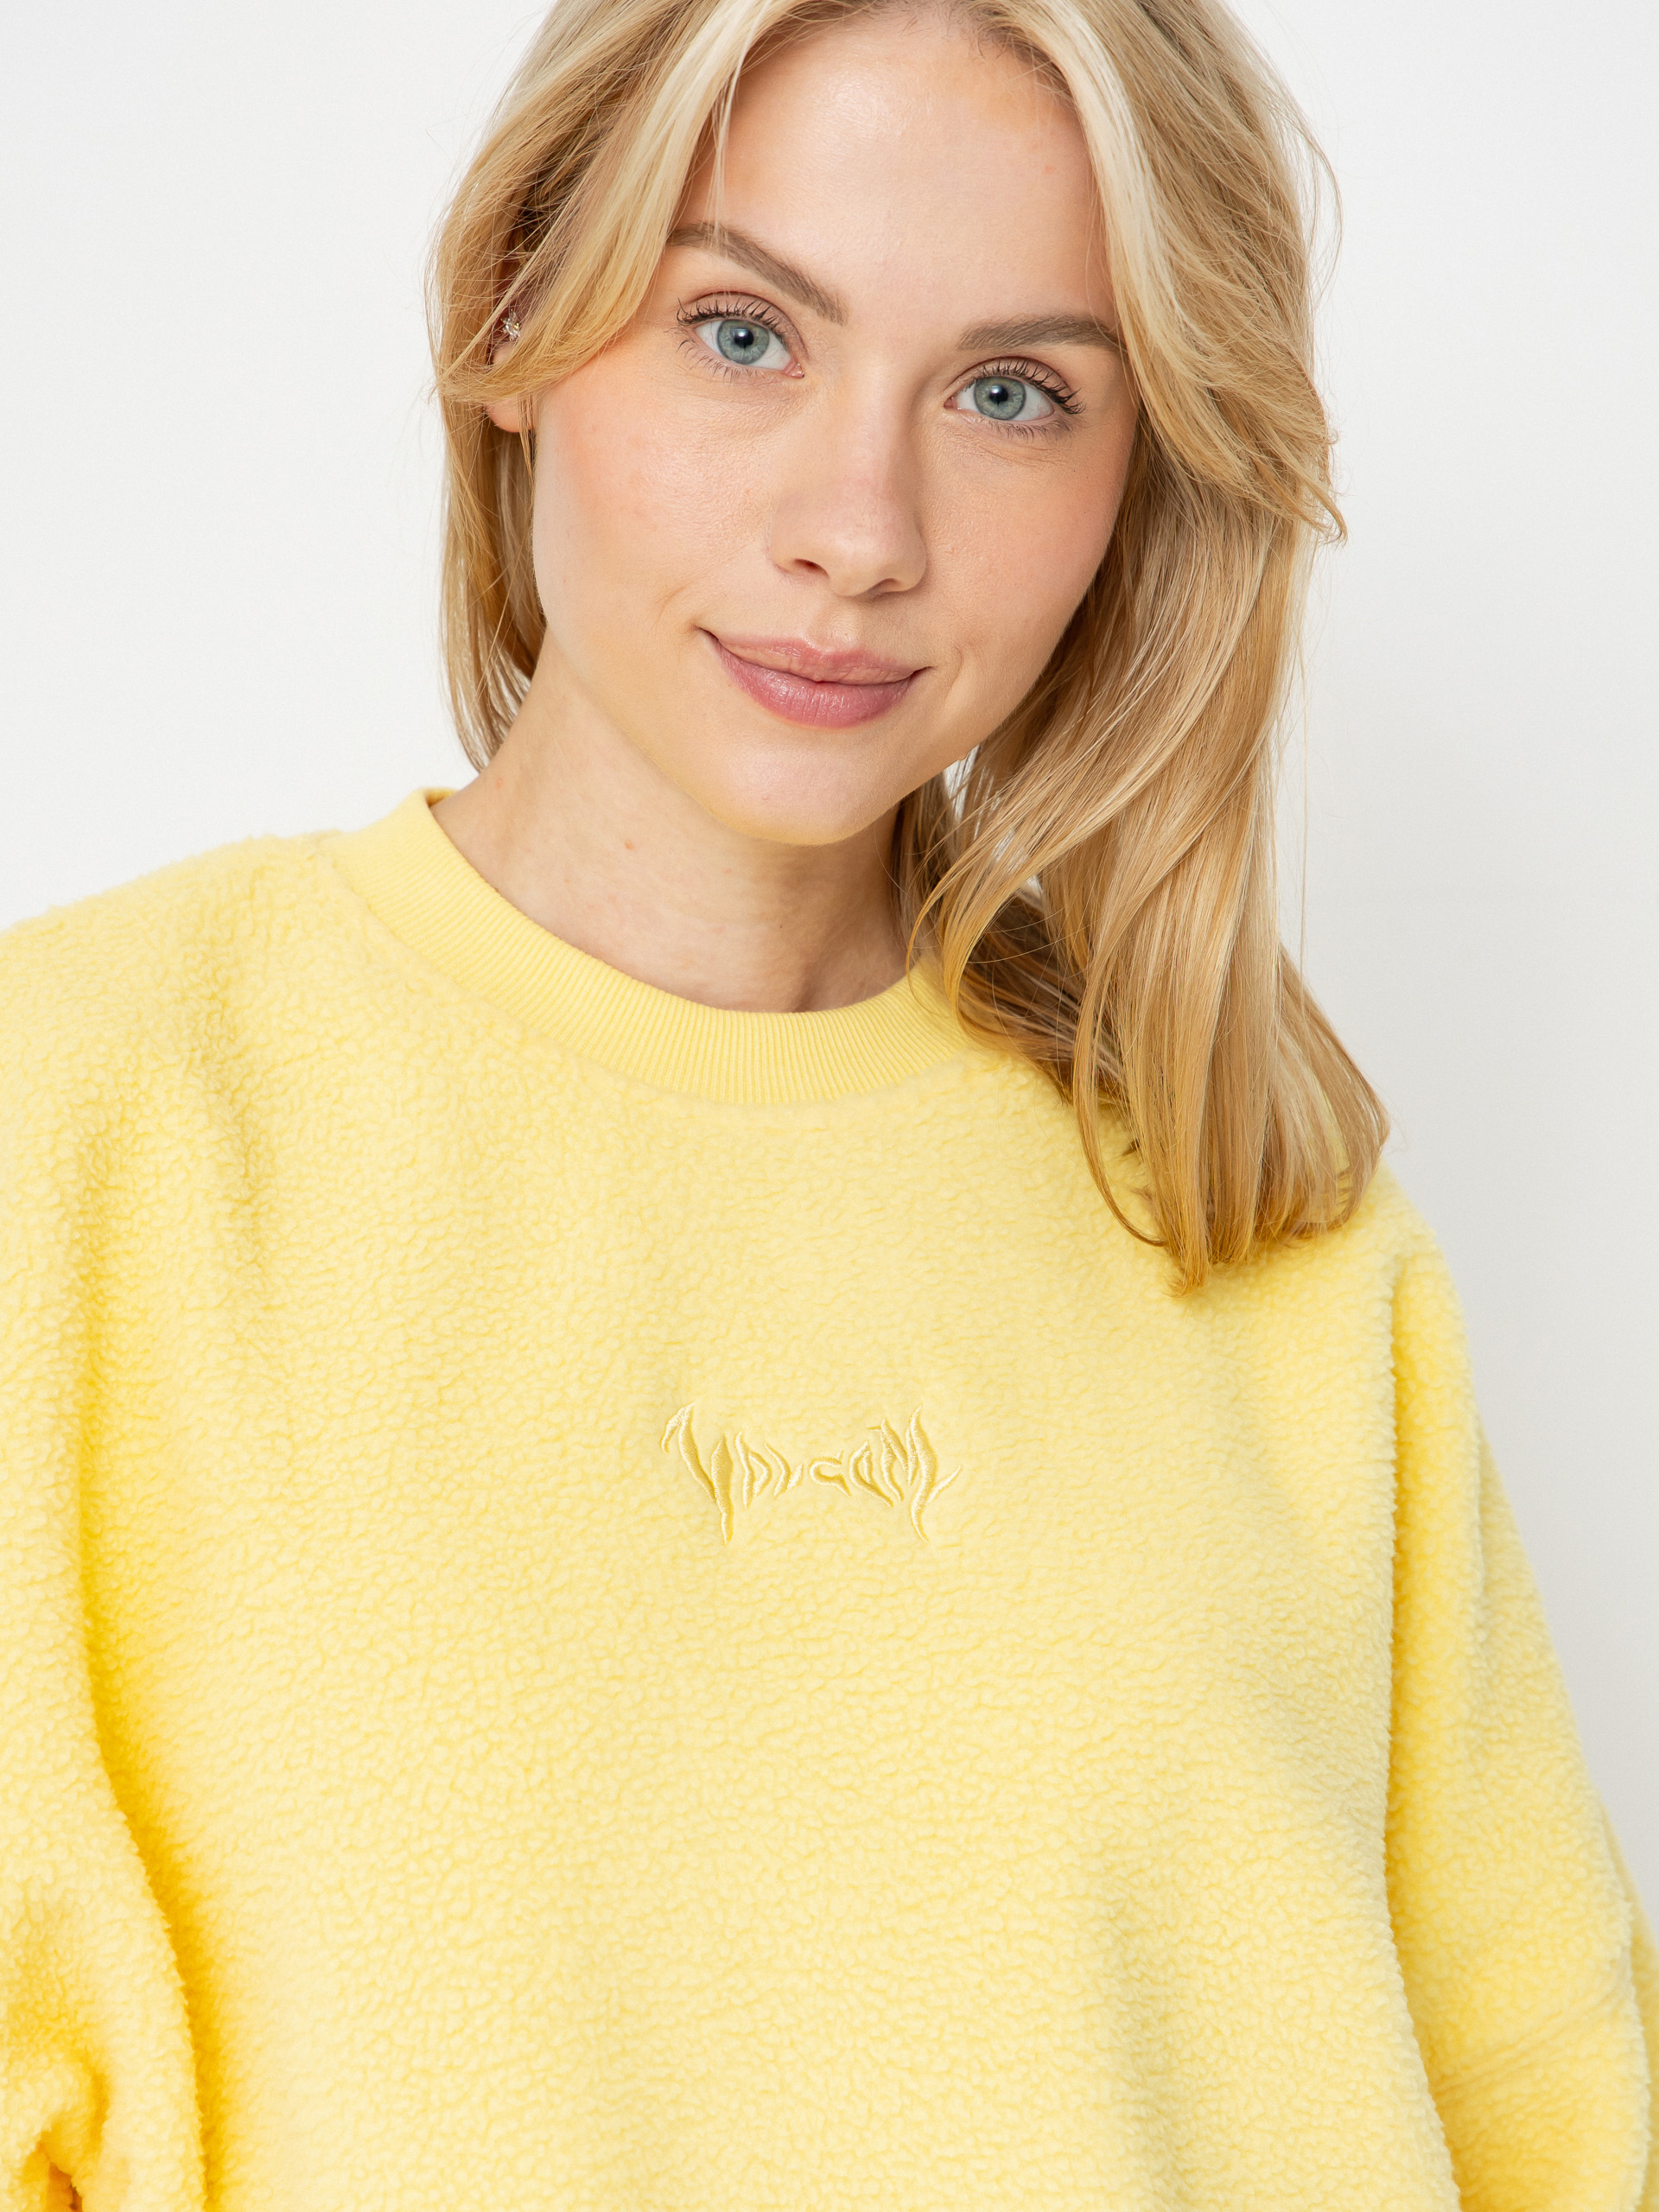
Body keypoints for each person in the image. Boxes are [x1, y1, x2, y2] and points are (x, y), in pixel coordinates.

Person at [1, 0, 1651, 2204]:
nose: (860, 529)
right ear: (513, 313)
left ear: (1138, 475)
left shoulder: (1269, 1230)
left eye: (1012, 393)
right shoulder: (82, 1118)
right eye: (744, 333)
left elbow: (1565, 2115)